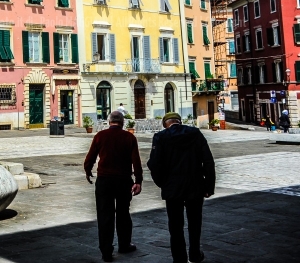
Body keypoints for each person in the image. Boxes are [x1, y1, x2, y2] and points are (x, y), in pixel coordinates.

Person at [148, 112, 215, 263]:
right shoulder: (195, 133)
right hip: (195, 185)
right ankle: (195, 254)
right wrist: (208, 186)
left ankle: (179, 258)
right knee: (195, 222)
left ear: (166, 123)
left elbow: (153, 164)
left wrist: (162, 183)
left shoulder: (160, 137)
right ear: (179, 121)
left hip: (172, 187)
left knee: (175, 225)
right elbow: (208, 161)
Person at [84, 110, 143, 262]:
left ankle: (106, 251)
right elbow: (136, 161)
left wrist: (88, 170)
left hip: (104, 180)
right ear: (122, 122)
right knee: (123, 213)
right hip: (123, 181)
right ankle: (124, 244)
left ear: (109, 122)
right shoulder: (129, 137)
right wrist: (138, 181)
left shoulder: (100, 136)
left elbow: (90, 157)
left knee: (105, 216)